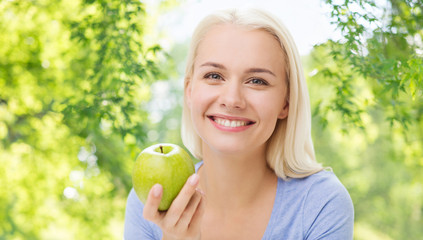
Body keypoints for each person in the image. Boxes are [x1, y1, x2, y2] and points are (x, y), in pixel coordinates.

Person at [124, 8, 354, 240]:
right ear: (189, 91)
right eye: (214, 76)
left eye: (257, 81)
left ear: (286, 102)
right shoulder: (151, 201)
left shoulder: (320, 204)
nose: (232, 99)